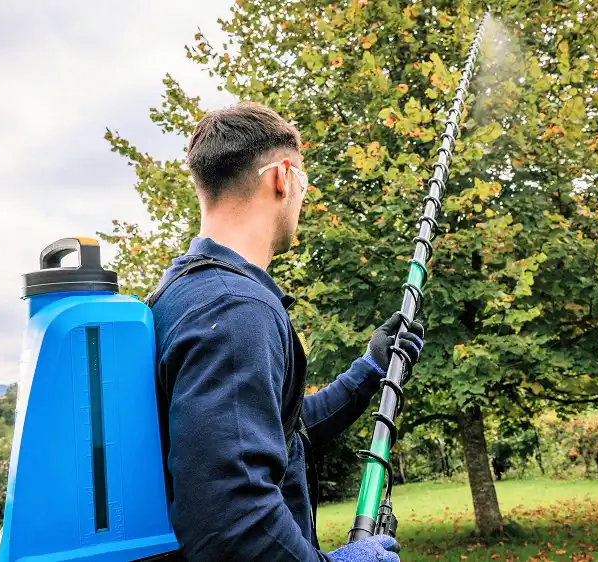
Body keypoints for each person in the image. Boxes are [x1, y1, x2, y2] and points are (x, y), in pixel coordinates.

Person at [147, 101, 425, 561]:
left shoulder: (182, 292)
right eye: (303, 184)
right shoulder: (236, 310)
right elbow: (233, 526)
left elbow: (276, 432)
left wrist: (369, 370)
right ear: (282, 176)